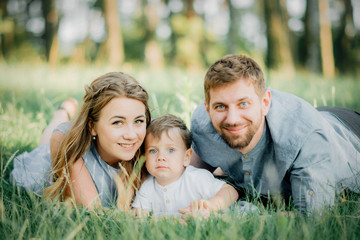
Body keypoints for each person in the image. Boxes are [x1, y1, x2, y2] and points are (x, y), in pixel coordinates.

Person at [190, 54, 360, 214]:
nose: (232, 119)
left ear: (265, 103)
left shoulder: (306, 138)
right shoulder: (203, 124)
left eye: (243, 104)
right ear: (208, 108)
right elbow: (177, 179)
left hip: (349, 131)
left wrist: (225, 218)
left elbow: (312, 218)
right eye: (221, 106)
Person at [11, 72, 151, 210]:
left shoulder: (154, 145)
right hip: (45, 161)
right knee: (49, 141)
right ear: (92, 126)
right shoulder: (67, 142)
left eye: (138, 121)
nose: (132, 135)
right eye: (117, 123)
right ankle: (63, 111)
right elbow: (95, 212)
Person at [132, 114, 238, 217]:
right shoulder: (147, 187)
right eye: (153, 151)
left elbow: (230, 191)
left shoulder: (197, 178)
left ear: (186, 157)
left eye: (170, 150)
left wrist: (212, 205)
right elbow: (139, 216)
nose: (161, 157)